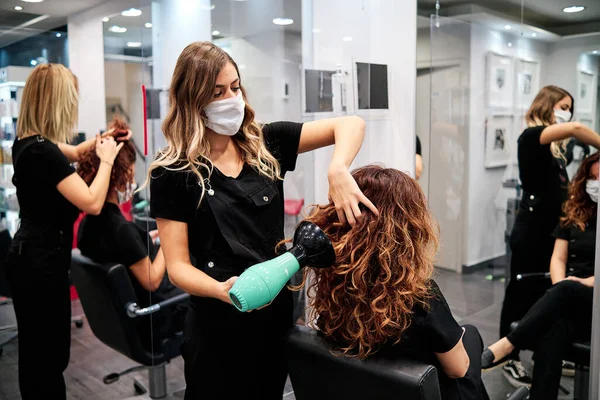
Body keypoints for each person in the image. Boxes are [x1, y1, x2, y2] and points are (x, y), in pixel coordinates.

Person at [147, 41, 377, 400]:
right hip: (217, 325)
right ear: (193, 99)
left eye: (235, 87)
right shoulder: (173, 171)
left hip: (274, 320)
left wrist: (338, 167)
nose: (231, 99)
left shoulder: (268, 143)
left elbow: (351, 124)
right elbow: (176, 266)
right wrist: (221, 291)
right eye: (217, 92)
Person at [296, 165, 489, 400]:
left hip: (362, 389)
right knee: (470, 339)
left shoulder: (332, 280)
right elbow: (458, 369)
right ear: (406, 227)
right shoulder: (420, 296)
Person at [4, 63, 127, 399]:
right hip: (38, 265)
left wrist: (103, 140)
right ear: (57, 101)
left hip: (34, 258)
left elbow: (71, 152)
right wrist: (106, 160)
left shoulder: (29, 143)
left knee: (41, 355)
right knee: (45, 358)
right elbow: (92, 202)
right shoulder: (42, 151)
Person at [499, 85, 600, 386]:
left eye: (570, 107)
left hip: (549, 232)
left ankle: (546, 351)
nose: (567, 112)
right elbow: (579, 128)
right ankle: (508, 356)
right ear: (548, 105)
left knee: (544, 296)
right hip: (531, 231)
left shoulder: (556, 153)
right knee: (519, 294)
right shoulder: (532, 137)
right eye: (563, 105)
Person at [482, 152, 597, 399]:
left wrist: (582, 283)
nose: (595, 182)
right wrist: (561, 287)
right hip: (570, 297)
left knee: (565, 292)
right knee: (554, 327)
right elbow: (558, 259)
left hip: (595, 300)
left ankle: (508, 344)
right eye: (592, 177)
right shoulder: (576, 213)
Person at [76, 118, 188, 349]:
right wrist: (170, 238)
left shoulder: (90, 224)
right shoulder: (120, 229)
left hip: (121, 320)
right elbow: (152, 280)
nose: (133, 180)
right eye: (132, 173)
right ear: (121, 174)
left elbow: (124, 252)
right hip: (155, 318)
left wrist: (152, 238)